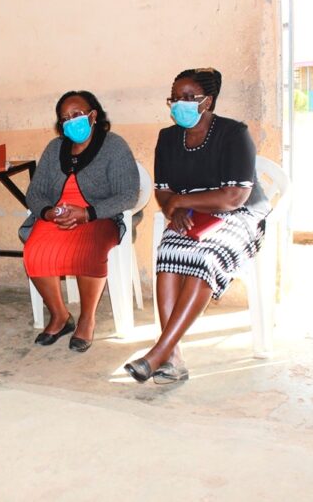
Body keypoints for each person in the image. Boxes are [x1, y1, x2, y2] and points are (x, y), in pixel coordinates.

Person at [124, 68, 270, 384]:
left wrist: (180, 202)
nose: (181, 103)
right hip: (191, 215)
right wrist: (173, 208)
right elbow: (164, 191)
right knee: (168, 251)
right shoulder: (168, 138)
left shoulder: (234, 133)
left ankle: (158, 354)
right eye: (175, 98)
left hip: (239, 216)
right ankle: (173, 358)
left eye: (190, 97)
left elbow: (234, 196)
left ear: (208, 101)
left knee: (204, 258)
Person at [20, 90, 139, 353]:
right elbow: (34, 193)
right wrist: (48, 212)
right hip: (58, 216)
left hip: (99, 216)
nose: (71, 121)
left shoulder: (113, 146)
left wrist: (87, 213)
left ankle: (87, 319)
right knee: (34, 251)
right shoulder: (54, 149)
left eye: (77, 114)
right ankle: (60, 316)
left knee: (88, 251)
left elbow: (128, 195)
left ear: (93, 116)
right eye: (65, 118)